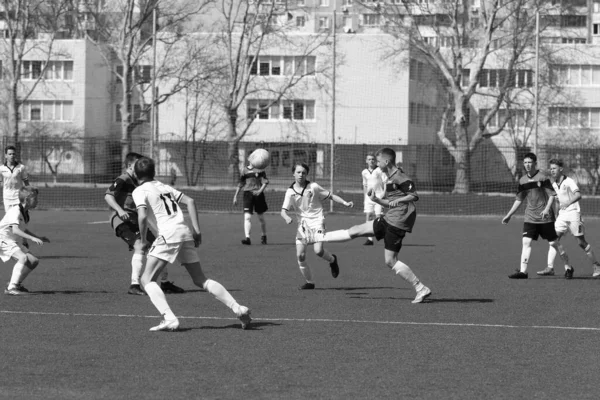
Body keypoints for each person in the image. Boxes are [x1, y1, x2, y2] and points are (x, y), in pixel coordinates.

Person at [298, 148, 432, 304]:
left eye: (378, 161)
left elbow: (414, 195)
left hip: (398, 223)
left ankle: (420, 288)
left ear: (386, 162)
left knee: (390, 261)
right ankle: (317, 237)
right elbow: (392, 202)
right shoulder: (388, 177)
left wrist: (399, 201)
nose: (376, 163)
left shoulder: (399, 176)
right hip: (389, 218)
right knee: (355, 230)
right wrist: (377, 201)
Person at [133, 157, 252, 331]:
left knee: (146, 279)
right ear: (154, 173)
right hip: (184, 231)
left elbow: (142, 216)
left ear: (136, 174)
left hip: (168, 234)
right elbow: (190, 201)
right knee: (200, 279)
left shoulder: (139, 190)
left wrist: (144, 241)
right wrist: (197, 231)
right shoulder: (164, 187)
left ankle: (169, 318)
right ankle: (238, 308)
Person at [105, 152, 184, 295]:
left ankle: (165, 284)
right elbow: (108, 195)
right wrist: (120, 210)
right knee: (140, 246)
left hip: (136, 220)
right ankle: (134, 285)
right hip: (122, 221)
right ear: (130, 166)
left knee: (157, 248)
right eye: (137, 164)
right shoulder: (123, 179)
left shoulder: (139, 182)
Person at [281, 163, 354, 290]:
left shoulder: (313, 187)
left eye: (303, 172)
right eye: (298, 172)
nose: (301, 175)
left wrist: (345, 202)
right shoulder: (290, 192)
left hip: (317, 221)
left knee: (318, 251)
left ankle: (332, 260)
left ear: (306, 174)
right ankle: (310, 282)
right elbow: (283, 211)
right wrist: (287, 217)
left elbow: (331, 196)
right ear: (293, 173)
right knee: (300, 256)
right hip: (303, 225)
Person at [502, 153, 572, 279]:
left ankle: (568, 267)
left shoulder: (543, 177)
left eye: (529, 162)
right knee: (526, 242)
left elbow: (552, 195)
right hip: (530, 217)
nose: (527, 165)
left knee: (554, 244)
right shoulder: (522, 180)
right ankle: (523, 272)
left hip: (545, 218)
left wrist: (546, 209)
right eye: (525, 162)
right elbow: (519, 199)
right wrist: (509, 215)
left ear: (535, 163)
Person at [536, 159, 600, 278]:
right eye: (551, 168)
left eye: (554, 168)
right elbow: (556, 202)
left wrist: (568, 203)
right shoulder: (554, 184)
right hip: (562, 215)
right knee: (553, 240)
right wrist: (555, 216)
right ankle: (551, 267)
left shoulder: (569, 181)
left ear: (561, 169)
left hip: (573, 213)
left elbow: (578, 195)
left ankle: (596, 265)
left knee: (581, 242)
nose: (552, 170)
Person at [1, 187, 50, 295]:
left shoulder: (25, 212)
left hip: (12, 240)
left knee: (33, 261)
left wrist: (39, 237)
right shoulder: (15, 211)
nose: (37, 201)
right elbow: (15, 229)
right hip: (3, 239)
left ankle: (15, 283)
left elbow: (23, 229)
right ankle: (11, 288)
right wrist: (31, 238)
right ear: (27, 199)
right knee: (23, 258)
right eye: (35, 199)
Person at [233, 161, 269, 245]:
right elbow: (241, 183)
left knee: (261, 218)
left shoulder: (260, 170)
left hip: (258, 195)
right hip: (247, 195)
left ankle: (264, 236)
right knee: (247, 217)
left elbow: (265, 182)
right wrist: (235, 196)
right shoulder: (244, 170)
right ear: (249, 159)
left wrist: (260, 191)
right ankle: (247, 238)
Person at [361, 153, 386, 246]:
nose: (371, 161)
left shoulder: (379, 170)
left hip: (378, 197)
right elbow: (365, 185)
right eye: (369, 159)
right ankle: (369, 239)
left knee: (379, 217)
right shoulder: (364, 172)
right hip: (368, 198)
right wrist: (365, 197)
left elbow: (385, 181)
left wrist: (384, 193)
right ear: (366, 161)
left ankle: (383, 235)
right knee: (368, 216)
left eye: (372, 159)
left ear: (375, 161)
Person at [0, 146, 30, 213]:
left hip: (18, 197)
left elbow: (26, 182)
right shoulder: (1, 169)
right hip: (7, 198)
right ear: (5, 156)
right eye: (10, 154)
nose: (12, 156)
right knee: (10, 220)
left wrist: (29, 193)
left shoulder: (21, 167)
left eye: (13, 154)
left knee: (16, 218)